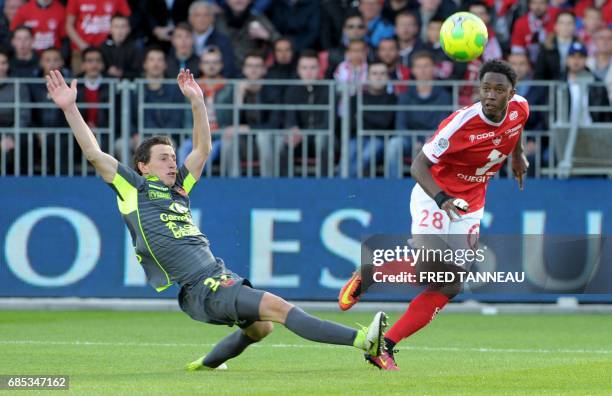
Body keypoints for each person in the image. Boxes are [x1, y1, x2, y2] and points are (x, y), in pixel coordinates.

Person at [45, 68, 387, 371]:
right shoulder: (134, 190)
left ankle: (205, 365)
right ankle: (362, 341)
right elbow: (94, 153)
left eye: (172, 158)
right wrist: (70, 108)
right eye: (163, 159)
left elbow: (203, 150)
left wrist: (197, 101)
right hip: (201, 287)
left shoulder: (178, 188)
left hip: (217, 274)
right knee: (279, 308)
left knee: (260, 328)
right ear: (143, 167)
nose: (170, 163)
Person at [338, 60, 530, 370]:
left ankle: (384, 346)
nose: (491, 95)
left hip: (471, 203)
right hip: (434, 194)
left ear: (511, 93)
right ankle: (370, 274)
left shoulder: (520, 107)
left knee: (450, 284)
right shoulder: (460, 123)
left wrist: (517, 155)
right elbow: (417, 166)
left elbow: (516, 126)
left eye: (499, 90)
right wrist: (442, 199)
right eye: (486, 89)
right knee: (431, 268)